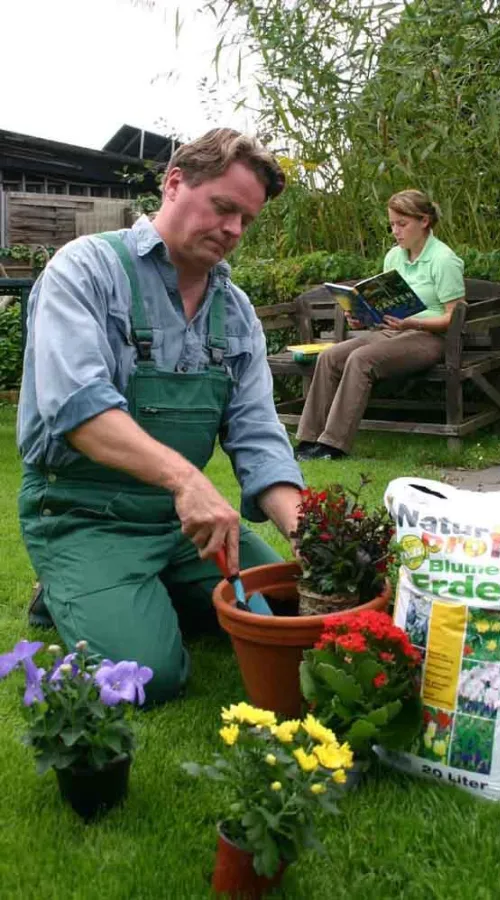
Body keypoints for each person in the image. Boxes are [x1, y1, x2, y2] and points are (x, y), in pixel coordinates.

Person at [17, 128, 304, 704]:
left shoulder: (236, 310)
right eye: (224, 208)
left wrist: (308, 533)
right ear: (174, 183)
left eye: (245, 220)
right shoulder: (86, 271)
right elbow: (78, 410)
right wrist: (186, 479)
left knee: (287, 612)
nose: (233, 231)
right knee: (153, 674)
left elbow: (257, 435)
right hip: (84, 514)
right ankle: (72, 581)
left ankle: (138, 589)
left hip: (184, 527)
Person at [295, 189, 465, 461]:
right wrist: (362, 315)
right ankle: (308, 440)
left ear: (424, 221)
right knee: (330, 356)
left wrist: (414, 323)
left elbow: (453, 317)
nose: (395, 231)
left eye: (402, 224)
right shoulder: (394, 257)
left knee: (361, 359)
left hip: (428, 337)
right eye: (392, 225)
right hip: (390, 331)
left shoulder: (444, 260)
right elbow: (384, 301)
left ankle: (333, 445)